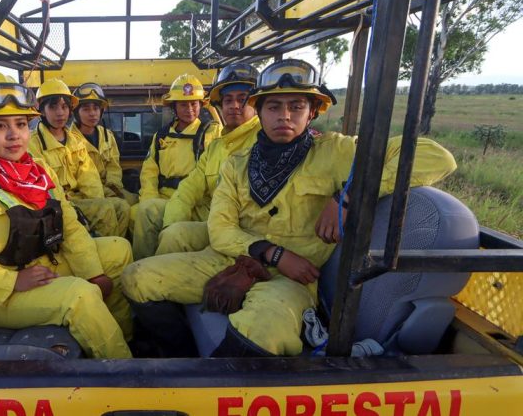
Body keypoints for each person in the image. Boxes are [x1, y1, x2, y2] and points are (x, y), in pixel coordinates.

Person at [122, 59, 457, 357]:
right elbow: (220, 230)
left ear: (312, 112)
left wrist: (348, 196)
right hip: (232, 259)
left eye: (296, 106)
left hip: (292, 280)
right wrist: (274, 253)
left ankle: (216, 387)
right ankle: (182, 357)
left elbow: (436, 157)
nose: (284, 115)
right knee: (136, 278)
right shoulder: (236, 164)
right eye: (273, 106)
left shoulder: (335, 152)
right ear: (261, 111)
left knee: (263, 329)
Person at [0, 73, 132, 359]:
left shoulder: (39, 170)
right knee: (79, 296)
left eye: (20, 124)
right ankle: (122, 369)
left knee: (119, 250)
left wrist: (94, 272)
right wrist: (12, 282)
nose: (14, 134)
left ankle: (125, 338)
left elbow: (69, 224)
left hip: (41, 262)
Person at [157, 63, 261, 256]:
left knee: (174, 236)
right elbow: (189, 187)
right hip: (212, 217)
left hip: (245, 232)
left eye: (242, 99)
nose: (234, 106)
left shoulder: (267, 139)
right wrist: (171, 223)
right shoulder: (217, 146)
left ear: (257, 104)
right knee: (157, 219)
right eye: (228, 100)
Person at [131, 74, 221, 259]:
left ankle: (161, 269)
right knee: (145, 210)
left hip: (197, 204)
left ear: (201, 105)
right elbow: (149, 173)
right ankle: (141, 263)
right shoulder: (162, 136)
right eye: (183, 104)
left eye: (194, 104)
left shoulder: (212, 133)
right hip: (165, 199)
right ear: (174, 107)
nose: (189, 109)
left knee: (174, 234)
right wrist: (149, 198)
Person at [28, 79, 129, 238]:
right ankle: (107, 251)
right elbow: (45, 186)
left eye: (64, 107)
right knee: (106, 210)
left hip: (81, 199)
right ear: (41, 110)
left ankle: (115, 247)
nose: (60, 113)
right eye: (53, 107)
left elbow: (89, 178)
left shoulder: (75, 141)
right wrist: (100, 206)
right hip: (59, 204)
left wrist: (99, 200)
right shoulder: (33, 144)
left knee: (122, 208)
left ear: (70, 109)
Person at [70, 82, 138, 205]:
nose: (92, 113)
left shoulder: (107, 136)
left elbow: (114, 166)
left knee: (137, 203)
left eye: (96, 108)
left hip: (110, 188)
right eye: (86, 109)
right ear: (76, 113)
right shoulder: (69, 140)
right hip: (84, 193)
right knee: (119, 208)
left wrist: (113, 188)